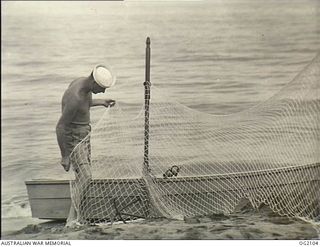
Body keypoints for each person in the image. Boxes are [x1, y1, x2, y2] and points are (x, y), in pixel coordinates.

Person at [56, 64, 116, 225]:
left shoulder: (83, 85)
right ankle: (71, 219)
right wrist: (65, 155)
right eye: (102, 88)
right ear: (94, 82)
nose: (103, 91)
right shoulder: (75, 97)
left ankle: (79, 215)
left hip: (84, 135)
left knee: (82, 176)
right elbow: (61, 126)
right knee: (86, 176)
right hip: (75, 138)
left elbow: (84, 105)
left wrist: (100, 102)